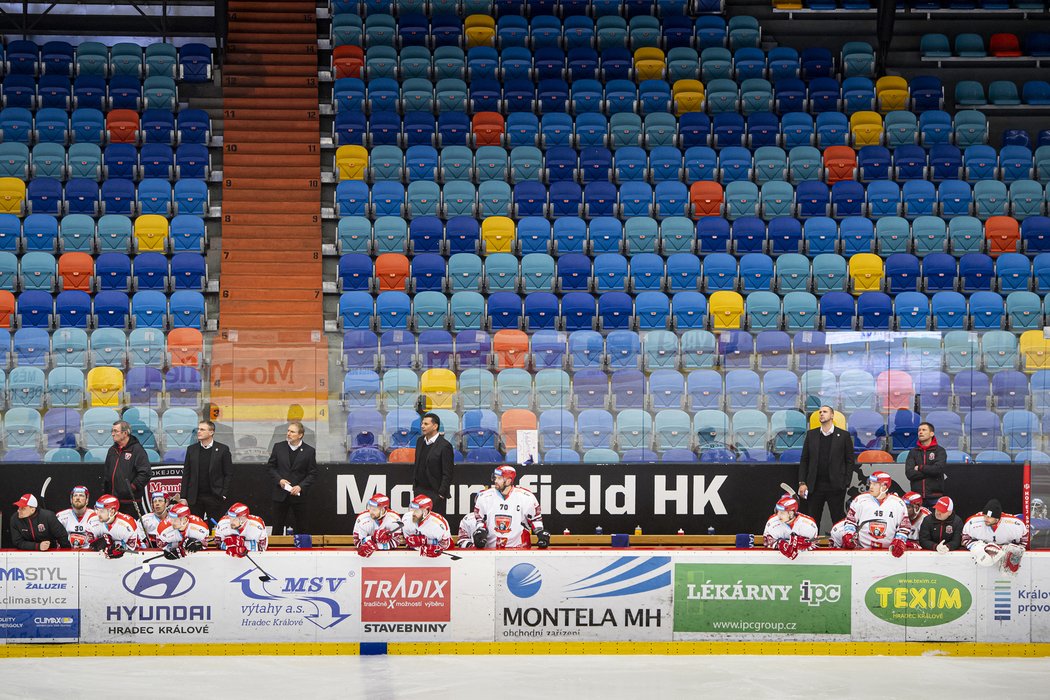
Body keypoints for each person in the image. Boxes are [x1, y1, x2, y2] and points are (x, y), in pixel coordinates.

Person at [797, 405, 857, 528]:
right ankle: (812, 544)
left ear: (832, 415)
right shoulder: (811, 435)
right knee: (813, 520)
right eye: (820, 412)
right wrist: (802, 482)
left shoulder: (844, 436)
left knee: (838, 519)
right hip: (815, 486)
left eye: (825, 412)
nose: (821, 414)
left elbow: (850, 460)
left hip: (836, 486)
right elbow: (804, 460)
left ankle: (839, 544)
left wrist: (846, 482)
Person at [471, 465, 550, 550]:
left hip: (519, 549)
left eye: (499, 478)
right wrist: (480, 530)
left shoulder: (527, 497)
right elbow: (480, 519)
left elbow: (535, 520)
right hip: (491, 549)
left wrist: (541, 533)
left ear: (509, 481)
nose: (496, 481)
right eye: (495, 478)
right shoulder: (484, 496)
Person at [265, 421, 317, 536]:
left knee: (302, 526)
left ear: (300, 435)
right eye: (288, 431)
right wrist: (280, 480)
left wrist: (300, 487)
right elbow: (271, 467)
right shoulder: (278, 447)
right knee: (277, 526)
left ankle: (303, 552)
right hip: (280, 495)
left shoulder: (309, 451)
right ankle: (275, 552)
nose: (288, 433)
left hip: (299, 496)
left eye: (292, 432)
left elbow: (312, 473)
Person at [841, 472, 911, 557]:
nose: (871, 487)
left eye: (875, 484)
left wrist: (900, 540)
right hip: (862, 551)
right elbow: (850, 522)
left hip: (888, 553)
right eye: (870, 483)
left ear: (884, 486)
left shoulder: (898, 503)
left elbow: (904, 527)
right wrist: (849, 534)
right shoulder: (859, 500)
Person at [180, 419, 233, 522]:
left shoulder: (223, 449)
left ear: (211, 432)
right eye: (198, 429)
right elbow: (186, 474)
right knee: (196, 526)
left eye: (202, 429)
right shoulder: (191, 449)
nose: (199, 432)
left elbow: (228, 474)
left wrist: (223, 494)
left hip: (215, 497)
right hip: (195, 498)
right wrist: (183, 496)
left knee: (215, 527)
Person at [962, 499, 1029, 573]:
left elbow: (1025, 538)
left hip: (1006, 549)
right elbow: (965, 538)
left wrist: (1014, 549)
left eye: (989, 517)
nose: (985, 519)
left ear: (997, 519)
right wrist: (978, 548)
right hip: (982, 551)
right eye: (984, 516)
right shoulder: (973, 522)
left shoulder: (1015, 524)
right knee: (979, 551)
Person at [103, 420, 152, 517]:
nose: (113, 434)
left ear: (125, 433)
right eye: (112, 431)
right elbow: (107, 473)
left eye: (116, 431)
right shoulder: (112, 450)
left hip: (130, 503)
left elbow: (146, 473)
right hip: (113, 502)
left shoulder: (137, 450)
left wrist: (132, 487)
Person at [412, 412, 454, 516]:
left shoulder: (445, 446)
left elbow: (448, 473)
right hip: (419, 492)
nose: (422, 426)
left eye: (426, 424)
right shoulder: (420, 441)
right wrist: (415, 488)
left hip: (435, 494)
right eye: (422, 424)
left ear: (435, 426)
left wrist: (441, 494)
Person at [904, 422, 947, 508]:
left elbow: (938, 470)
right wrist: (930, 472)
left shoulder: (940, 451)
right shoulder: (913, 452)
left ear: (932, 433)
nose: (920, 432)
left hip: (935, 496)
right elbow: (909, 474)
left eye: (924, 430)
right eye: (919, 430)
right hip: (916, 497)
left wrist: (920, 467)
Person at [763, 495, 818, 559]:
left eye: (782, 513)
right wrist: (778, 544)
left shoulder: (809, 524)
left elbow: (815, 544)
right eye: (777, 512)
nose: (778, 515)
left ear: (791, 513)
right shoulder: (772, 522)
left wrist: (805, 546)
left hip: (804, 560)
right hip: (778, 560)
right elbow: (766, 542)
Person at [57, 486, 100, 550]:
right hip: (67, 554)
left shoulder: (96, 516)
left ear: (87, 500)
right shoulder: (61, 516)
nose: (77, 498)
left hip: (89, 554)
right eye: (75, 495)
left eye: (81, 495)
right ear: (71, 500)